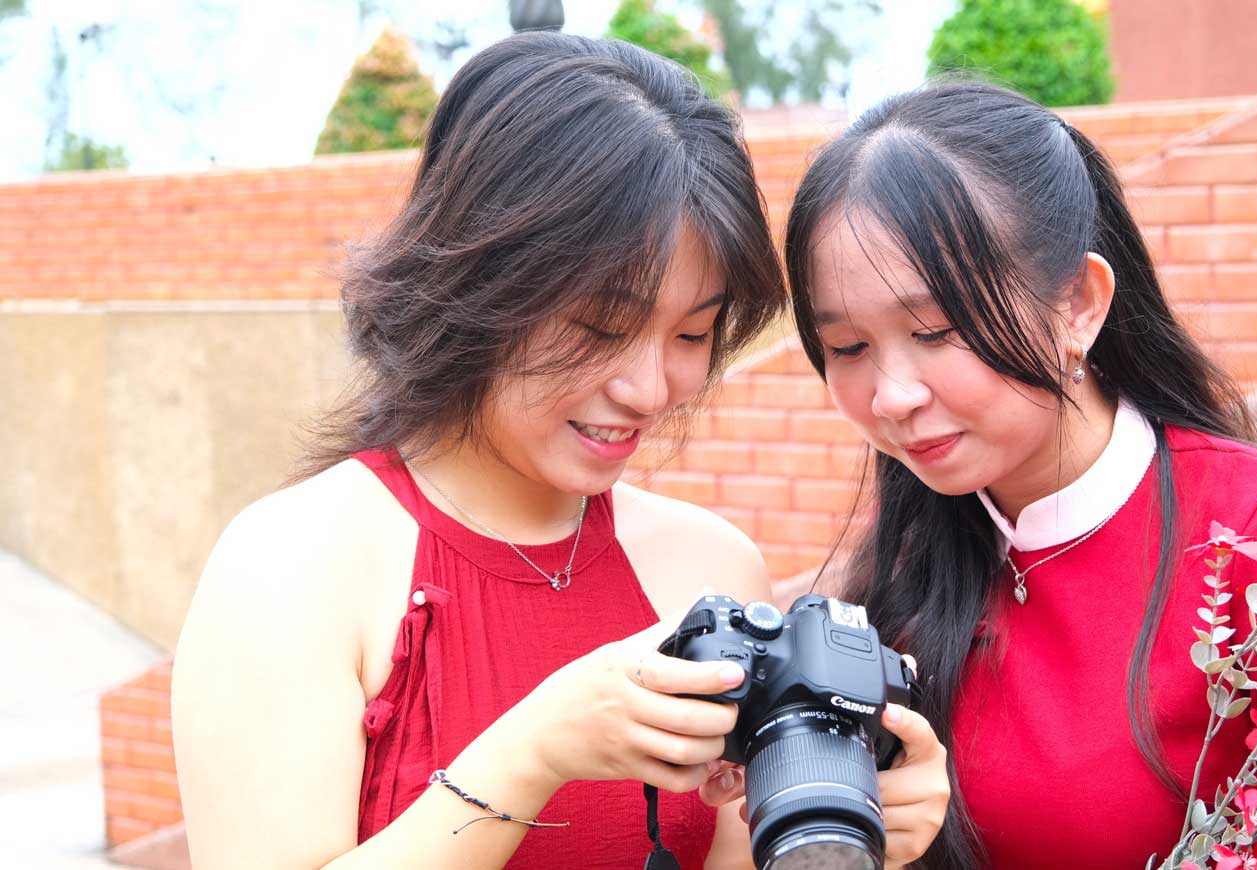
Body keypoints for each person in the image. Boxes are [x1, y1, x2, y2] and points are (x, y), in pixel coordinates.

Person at [171, 33, 948, 870]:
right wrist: (532, 755)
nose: (649, 387)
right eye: (599, 328)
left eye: (691, 332)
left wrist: (853, 837)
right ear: (480, 284)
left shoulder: (709, 565)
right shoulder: (295, 562)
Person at [780, 79, 1257, 870]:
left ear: (1079, 304)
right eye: (847, 348)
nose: (891, 395)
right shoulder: (910, 552)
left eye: (934, 330)